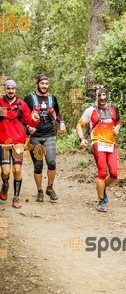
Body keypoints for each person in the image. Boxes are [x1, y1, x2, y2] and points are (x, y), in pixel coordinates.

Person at [76, 88, 120, 212]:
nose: (101, 97)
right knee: (102, 173)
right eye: (99, 95)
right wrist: (82, 138)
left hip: (111, 144)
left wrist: (117, 129)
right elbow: (79, 124)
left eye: (104, 94)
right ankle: (101, 201)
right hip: (97, 143)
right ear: (95, 97)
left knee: (114, 174)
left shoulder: (113, 109)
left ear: (107, 96)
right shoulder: (90, 110)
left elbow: (117, 123)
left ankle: (102, 187)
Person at [24, 74, 66, 203]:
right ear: (37, 83)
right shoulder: (29, 98)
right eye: (42, 83)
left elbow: (57, 113)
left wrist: (62, 122)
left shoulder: (52, 98)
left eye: (46, 84)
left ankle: (50, 188)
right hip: (35, 136)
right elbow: (22, 116)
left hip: (49, 135)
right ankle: (40, 191)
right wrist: (27, 127)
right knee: (38, 166)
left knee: (52, 163)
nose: (44, 86)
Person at [0, 79, 40, 208]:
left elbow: (30, 122)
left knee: (17, 170)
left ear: (15, 90)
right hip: (4, 143)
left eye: (13, 88)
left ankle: (16, 197)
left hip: (18, 142)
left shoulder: (21, 104)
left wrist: (35, 120)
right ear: (5, 89)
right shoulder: (0, 103)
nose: (10, 91)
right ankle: (5, 184)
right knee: (5, 172)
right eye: (8, 88)